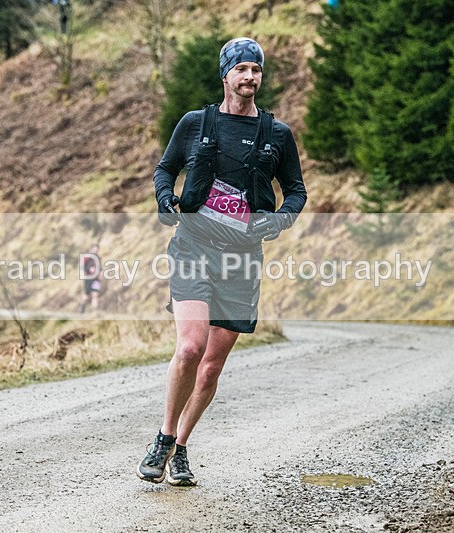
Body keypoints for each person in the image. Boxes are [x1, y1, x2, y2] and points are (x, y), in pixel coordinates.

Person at [138, 37, 307, 486]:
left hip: (242, 259)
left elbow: (295, 190)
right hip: (193, 246)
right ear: (225, 74)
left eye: (256, 69)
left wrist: (282, 219)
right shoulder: (196, 123)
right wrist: (164, 200)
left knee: (211, 365)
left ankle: (181, 449)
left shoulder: (277, 134)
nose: (250, 77)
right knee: (191, 347)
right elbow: (164, 169)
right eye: (242, 69)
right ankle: (162, 437)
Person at [77, 244, 101, 313]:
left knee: (95, 294)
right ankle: (81, 308)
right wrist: (89, 269)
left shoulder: (98, 258)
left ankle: (94, 312)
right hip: (88, 278)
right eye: (94, 250)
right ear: (91, 249)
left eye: (97, 250)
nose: (95, 251)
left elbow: (99, 267)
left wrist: (100, 272)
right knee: (86, 296)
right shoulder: (86, 257)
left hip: (96, 279)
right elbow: (82, 267)